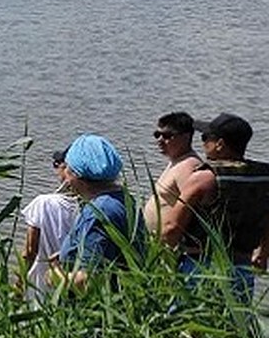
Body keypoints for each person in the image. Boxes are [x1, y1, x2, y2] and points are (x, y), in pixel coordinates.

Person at [160, 113, 269, 303]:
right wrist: (263, 253)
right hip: (242, 268)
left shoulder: (204, 178)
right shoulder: (263, 177)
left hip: (201, 266)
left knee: (188, 325)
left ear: (220, 144)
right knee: (233, 325)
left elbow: (171, 227)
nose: (202, 144)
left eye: (205, 138)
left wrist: (162, 257)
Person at [51, 134, 144, 292]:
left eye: (67, 167)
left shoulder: (98, 212)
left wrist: (54, 274)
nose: (64, 174)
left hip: (98, 311)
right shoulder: (124, 199)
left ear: (77, 174)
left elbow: (89, 282)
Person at [18, 148, 79, 300]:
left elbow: (30, 251)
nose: (56, 169)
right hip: (77, 285)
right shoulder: (93, 206)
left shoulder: (43, 203)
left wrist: (18, 286)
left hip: (43, 286)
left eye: (57, 164)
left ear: (67, 169)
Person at [142, 111, 202, 235]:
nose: (160, 140)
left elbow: (192, 211)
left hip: (170, 246)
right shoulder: (175, 162)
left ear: (186, 137)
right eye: (157, 134)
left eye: (167, 136)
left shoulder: (189, 166)